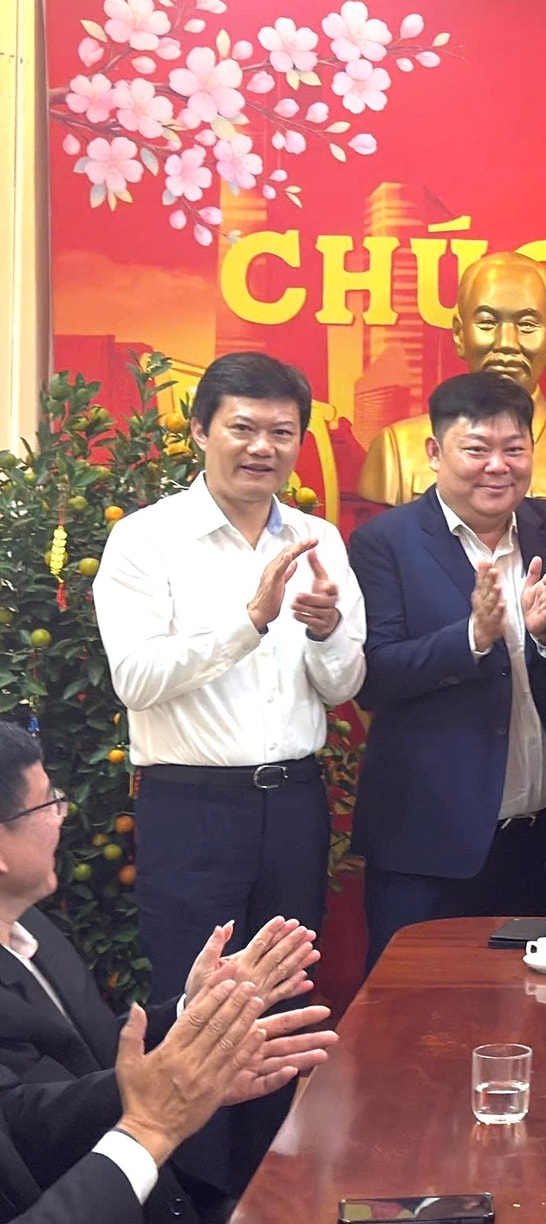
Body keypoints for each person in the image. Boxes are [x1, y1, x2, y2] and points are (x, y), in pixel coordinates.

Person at [93, 352, 366, 1001]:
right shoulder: (145, 539)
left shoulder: (319, 539)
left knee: (287, 999)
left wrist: (326, 631)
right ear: (199, 430)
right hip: (192, 809)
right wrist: (250, 622)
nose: (262, 448)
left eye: (281, 432)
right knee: (197, 1001)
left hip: (294, 804)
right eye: (242, 428)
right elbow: (135, 679)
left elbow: (343, 686)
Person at [0, 722, 335, 1222]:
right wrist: (159, 1107)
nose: (61, 817)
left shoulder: (31, 926)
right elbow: (22, 1125)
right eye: (47, 803)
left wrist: (192, 1013)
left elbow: (88, 1053)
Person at [349, 373, 546, 969]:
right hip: (429, 840)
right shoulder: (384, 543)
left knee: (539, 1003)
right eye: (477, 449)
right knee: (416, 1006)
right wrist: (472, 638)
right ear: (435, 452)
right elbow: (373, 677)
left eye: (514, 449)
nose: (498, 467)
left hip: (545, 836)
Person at [357, 250, 546, 521]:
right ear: (459, 334)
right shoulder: (395, 452)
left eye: (527, 325)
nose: (507, 344)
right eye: (487, 323)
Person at [0, 978, 286, 1224]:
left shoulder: (42, 938)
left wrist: (191, 1030)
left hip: (163, 1196)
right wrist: (146, 1129)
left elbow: (18, 1116)